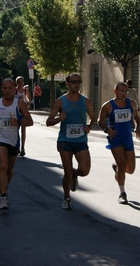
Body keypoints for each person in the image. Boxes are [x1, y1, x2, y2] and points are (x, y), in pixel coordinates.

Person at [0, 78, 33, 210]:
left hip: (14, 141)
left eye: (10, 88)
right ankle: (3, 197)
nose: (7, 91)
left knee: (9, 170)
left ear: (14, 89)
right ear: (1, 89)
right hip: (0, 139)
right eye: (5, 88)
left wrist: (19, 122)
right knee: (3, 166)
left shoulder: (19, 104)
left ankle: (4, 187)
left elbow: (30, 121)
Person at [46, 73, 96, 210]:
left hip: (81, 140)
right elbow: (48, 121)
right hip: (65, 141)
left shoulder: (85, 101)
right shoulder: (60, 101)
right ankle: (67, 197)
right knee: (67, 171)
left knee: (85, 170)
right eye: (73, 82)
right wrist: (58, 119)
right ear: (67, 83)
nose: (76, 84)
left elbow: (93, 117)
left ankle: (75, 174)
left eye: (79, 82)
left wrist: (89, 126)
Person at [97, 81, 140, 204]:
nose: (124, 94)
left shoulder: (131, 103)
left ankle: (117, 167)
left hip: (127, 137)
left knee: (131, 169)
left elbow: (136, 117)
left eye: (125, 91)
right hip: (115, 138)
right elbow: (100, 120)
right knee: (123, 166)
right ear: (115, 91)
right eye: (121, 91)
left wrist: (137, 128)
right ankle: (122, 193)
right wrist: (106, 129)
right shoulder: (108, 106)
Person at [14, 76, 31, 157]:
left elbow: (28, 97)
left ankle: (23, 148)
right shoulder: (15, 90)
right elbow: (11, 99)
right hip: (16, 111)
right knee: (16, 129)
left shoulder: (25, 90)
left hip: (23, 111)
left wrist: (28, 102)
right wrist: (18, 100)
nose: (20, 83)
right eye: (19, 82)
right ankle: (16, 145)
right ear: (16, 83)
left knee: (23, 130)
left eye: (22, 82)